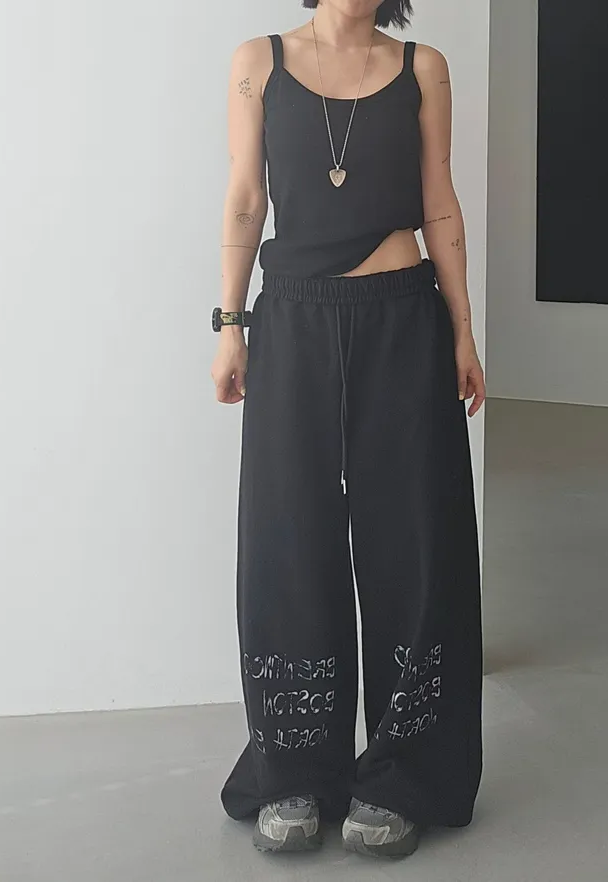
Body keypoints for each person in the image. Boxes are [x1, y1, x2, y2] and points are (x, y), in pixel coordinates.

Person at [210, 0, 485, 860]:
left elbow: (440, 203)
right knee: (290, 538)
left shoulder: (423, 69)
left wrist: (463, 332)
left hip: (403, 317)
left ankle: (402, 772)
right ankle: (293, 768)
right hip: (292, 322)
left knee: (413, 541)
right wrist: (230, 325)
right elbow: (246, 199)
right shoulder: (258, 62)